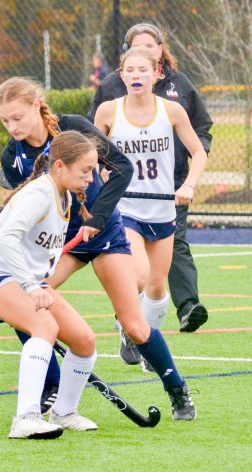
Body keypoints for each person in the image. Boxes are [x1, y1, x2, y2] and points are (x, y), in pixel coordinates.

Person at [0, 76, 196, 422]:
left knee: (134, 325)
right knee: (25, 302)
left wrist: (97, 218)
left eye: (17, 117)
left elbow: (122, 168)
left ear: (34, 106)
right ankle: (52, 387)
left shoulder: (72, 129)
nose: (12, 126)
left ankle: (177, 389)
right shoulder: (12, 159)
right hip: (62, 245)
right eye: (4, 121)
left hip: (103, 233)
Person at [0, 130, 100, 439]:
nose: (91, 178)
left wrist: (37, 280)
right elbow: (7, 238)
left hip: (27, 280)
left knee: (84, 341)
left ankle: (64, 411)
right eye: (85, 170)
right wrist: (31, 286)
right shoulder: (39, 193)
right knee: (45, 327)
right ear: (60, 167)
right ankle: (25, 417)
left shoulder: (64, 197)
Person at [88, 22, 214, 336]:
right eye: (129, 70)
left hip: (163, 206)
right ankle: (128, 328)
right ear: (121, 74)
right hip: (125, 204)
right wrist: (98, 172)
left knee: (157, 288)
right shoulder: (107, 110)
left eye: (143, 70)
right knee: (139, 276)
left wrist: (188, 185)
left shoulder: (172, 110)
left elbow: (199, 152)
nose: (135, 75)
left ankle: (145, 343)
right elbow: (90, 154)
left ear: (156, 72)